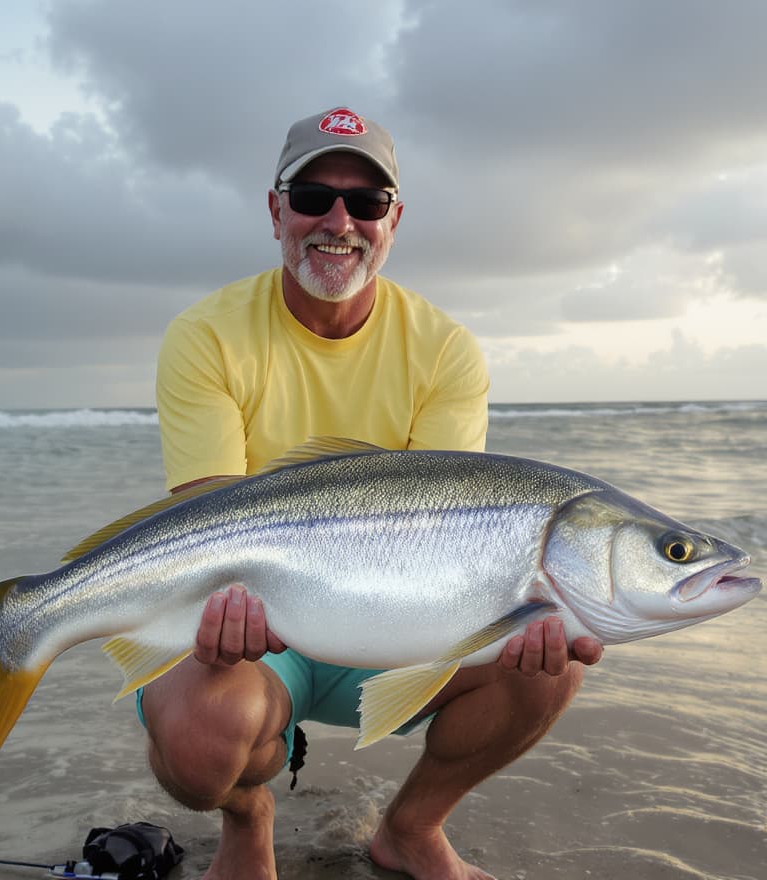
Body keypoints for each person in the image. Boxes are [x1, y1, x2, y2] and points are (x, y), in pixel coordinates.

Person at [144, 107, 603, 880]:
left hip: (403, 630)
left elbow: (446, 536)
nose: (338, 220)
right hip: (265, 630)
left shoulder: (444, 348)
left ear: (394, 219)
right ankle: (248, 824)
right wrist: (225, 612)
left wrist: (521, 609)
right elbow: (207, 522)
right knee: (196, 745)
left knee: (551, 663)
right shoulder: (208, 334)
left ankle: (413, 830)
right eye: (314, 194)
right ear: (275, 209)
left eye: (365, 202)